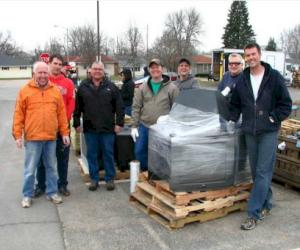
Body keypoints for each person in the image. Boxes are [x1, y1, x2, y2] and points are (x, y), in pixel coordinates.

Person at [230, 43, 292, 230]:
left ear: (259, 54)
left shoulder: (273, 77)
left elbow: (286, 104)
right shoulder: (242, 80)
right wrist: (229, 119)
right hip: (250, 131)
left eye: (253, 54)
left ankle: (253, 213)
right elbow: (235, 105)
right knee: (258, 173)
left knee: (263, 172)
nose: (250, 58)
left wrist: (273, 117)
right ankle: (267, 203)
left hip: (268, 131)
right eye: (247, 55)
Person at [12, 61, 70, 208]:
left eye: (45, 72)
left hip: (51, 137)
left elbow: (61, 114)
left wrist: (65, 133)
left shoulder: (55, 90)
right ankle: (27, 195)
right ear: (34, 74)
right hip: (33, 138)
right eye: (40, 72)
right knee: (30, 169)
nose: (43, 75)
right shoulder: (25, 90)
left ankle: (52, 192)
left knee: (51, 167)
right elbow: (19, 114)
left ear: (48, 74)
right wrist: (17, 135)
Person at [73, 61, 124, 191]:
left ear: (103, 72)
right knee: (92, 154)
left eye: (100, 69)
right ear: (90, 70)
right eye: (95, 69)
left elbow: (119, 107)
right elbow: (77, 107)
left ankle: (109, 179)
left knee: (108, 153)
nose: (97, 71)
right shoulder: (83, 87)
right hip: (90, 128)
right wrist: (77, 122)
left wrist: (119, 123)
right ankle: (94, 179)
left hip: (107, 128)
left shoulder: (111, 87)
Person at [34, 54, 75, 197]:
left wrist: (65, 119)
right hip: (45, 128)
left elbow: (71, 102)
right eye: (55, 63)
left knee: (62, 158)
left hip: (62, 128)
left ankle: (62, 185)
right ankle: (41, 185)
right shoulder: (43, 80)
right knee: (42, 159)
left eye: (60, 64)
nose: (57, 66)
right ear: (49, 63)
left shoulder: (68, 83)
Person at [131, 58, 179, 171]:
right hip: (144, 126)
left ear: (162, 69)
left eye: (157, 67)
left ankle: (158, 176)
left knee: (160, 154)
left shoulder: (172, 88)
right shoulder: (142, 87)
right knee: (139, 151)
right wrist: (134, 126)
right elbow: (136, 107)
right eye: (152, 67)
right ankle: (145, 173)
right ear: (149, 70)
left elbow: (177, 109)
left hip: (162, 129)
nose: (155, 69)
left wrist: (170, 119)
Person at [218, 53, 244, 131]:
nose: (233, 66)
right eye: (231, 63)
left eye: (236, 63)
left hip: (238, 119)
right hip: (224, 116)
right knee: (224, 139)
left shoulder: (246, 78)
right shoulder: (226, 76)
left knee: (235, 142)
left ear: (242, 65)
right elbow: (219, 94)